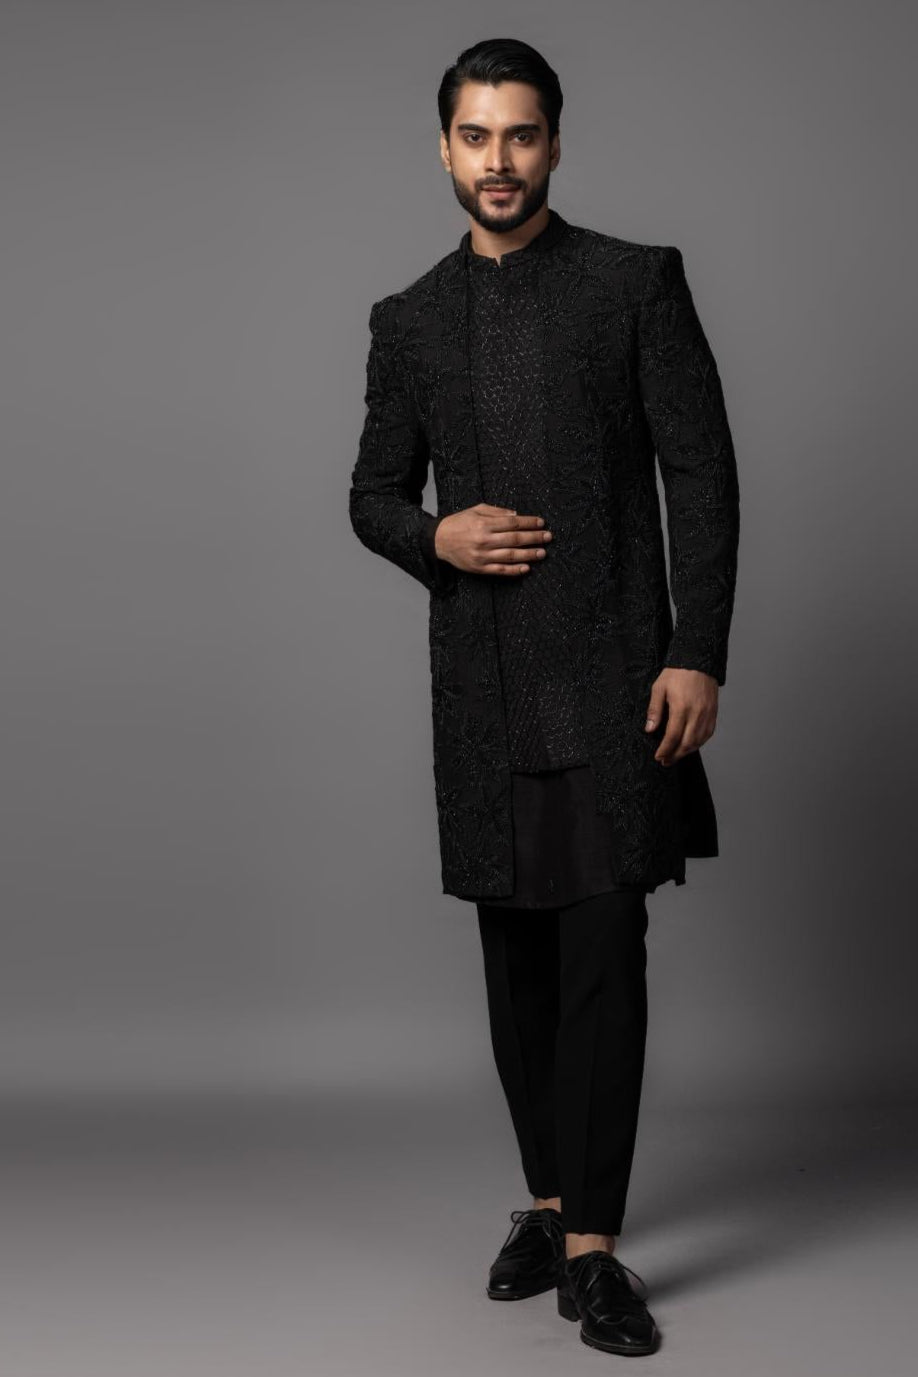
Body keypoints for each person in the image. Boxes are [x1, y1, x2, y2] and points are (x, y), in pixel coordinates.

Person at [348, 36, 740, 1359]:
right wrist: (435, 538)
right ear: (444, 150)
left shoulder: (634, 283)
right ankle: (549, 1199)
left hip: (619, 678)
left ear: (555, 144)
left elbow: (700, 471)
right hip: (487, 692)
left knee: (602, 954)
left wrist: (698, 649)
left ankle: (592, 1253)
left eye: (521, 133)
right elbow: (371, 494)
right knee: (515, 964)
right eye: (476, 135)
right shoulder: (407, 320)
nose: (499, 159)